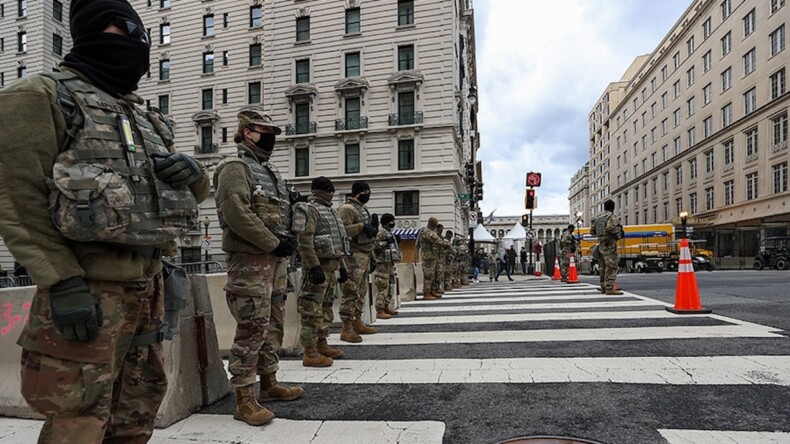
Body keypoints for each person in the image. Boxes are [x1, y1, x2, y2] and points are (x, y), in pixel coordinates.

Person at [0, 1, 211, 441]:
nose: (138, 45)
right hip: (88, 290)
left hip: (149, 286)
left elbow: (179, 197)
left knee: (135, 416)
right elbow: (17, 202)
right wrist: (61, 281)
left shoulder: (143, 115)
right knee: (77, 419)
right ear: (95, 29)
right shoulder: (38, 96)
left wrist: (196, 176)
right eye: (129, 31)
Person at [213, 106, 304, 426]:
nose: (271, 140)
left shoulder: (271, 171)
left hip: (275, 261)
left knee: (273, 323)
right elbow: (236, 213)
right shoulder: (234, 167)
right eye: (266, 133)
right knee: (251, 327)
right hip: (250, 260)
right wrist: (273, 243)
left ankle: (268, 383)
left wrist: (286, 242)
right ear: (248, 133)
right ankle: (243, 398)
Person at [293, 177, 349, 362]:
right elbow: (305, 239)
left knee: (325, 309)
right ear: (317, 190)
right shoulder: (309, 209)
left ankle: (321, 343)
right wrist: (314, 265)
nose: (331, 192)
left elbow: (336, 242)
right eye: (327, 189)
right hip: (317, 269)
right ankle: (309, 351)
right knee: (311, 310)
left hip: (330, 268)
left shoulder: (331, 211)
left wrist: (342, 267)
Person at [338, 181, 378, 342]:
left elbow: (369, 237)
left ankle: (357, 321)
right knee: (351, 291)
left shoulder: (362, 209)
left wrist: (373, 257)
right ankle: (346, 327)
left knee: (361, 292)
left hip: (364, 255)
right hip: (353, 256)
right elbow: (342, 231)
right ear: (358, 192)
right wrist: (361, 227)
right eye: (365, 191)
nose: (368, 194)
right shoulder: (347, 209)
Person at [591, 199, 624, 295]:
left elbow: (592, 231)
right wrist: (619, 232)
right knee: (612, 266)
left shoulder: (599, 218)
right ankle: (609, 287)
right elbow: (610, 227)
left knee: (602, 266)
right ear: (613, 208)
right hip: (610, 244)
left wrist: (601, 235)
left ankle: (603, 287)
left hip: (601, 245)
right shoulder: (612, 217)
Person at [373, 214, 401, 319]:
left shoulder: (390, 233)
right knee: (382, 287)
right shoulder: (381, 232)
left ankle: (386, 306)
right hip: (382, 264)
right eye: (391, 221)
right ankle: (379, 310)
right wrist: (385, 243)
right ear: (386, 222)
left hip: (389, 263)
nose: (393, 223)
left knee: (389, 286)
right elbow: (374, 245)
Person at [418, 218, 443, 299]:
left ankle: (432, 291)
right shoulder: (427, 232)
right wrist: (446, 244)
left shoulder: (431, 232)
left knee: (433, 275)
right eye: (435, 224)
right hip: (428, 257)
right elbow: (436, 240)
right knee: (428, 275)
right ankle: (426, 293)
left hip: (432, 257)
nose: (436, 226)